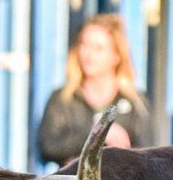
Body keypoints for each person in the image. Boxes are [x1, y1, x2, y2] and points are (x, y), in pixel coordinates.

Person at [36, 14, 155, 166]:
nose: (89, 55)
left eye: (98, 48)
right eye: (84, 45)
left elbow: (149, 155)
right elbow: (48, 147)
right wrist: (97, 134)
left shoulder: (135, 102)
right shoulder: (63, 98)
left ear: (116, 55)